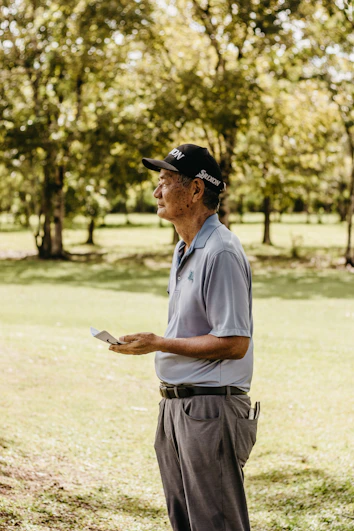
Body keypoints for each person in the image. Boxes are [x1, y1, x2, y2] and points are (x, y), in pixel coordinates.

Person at [109, 143, 259, 531]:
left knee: (215, 525)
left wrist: (159, 343)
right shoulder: (184, 248)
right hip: (177, 408)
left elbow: (234, 342)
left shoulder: (221, 251)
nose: (156, 192)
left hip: (210, 411)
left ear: (195, 190)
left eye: (165, 183)